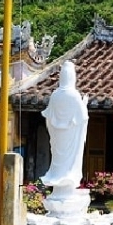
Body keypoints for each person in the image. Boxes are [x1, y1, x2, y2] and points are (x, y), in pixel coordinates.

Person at [40, 60, 89, 191]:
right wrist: (84, 103)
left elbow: (48, 118)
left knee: (58, 159)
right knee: (70, 162)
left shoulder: (55, 95)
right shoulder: (74, 95)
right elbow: (83, 117)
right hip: (71, 135)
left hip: (57, 137)